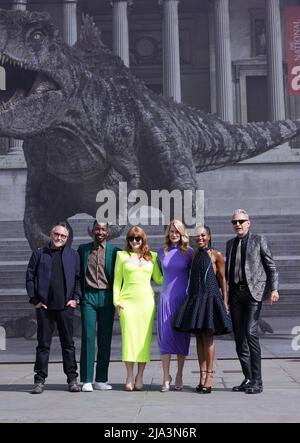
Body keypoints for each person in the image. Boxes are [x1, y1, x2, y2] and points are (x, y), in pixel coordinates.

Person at [226, 209, 279, 394]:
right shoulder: (230, 244)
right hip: (235, 295)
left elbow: (271, 266)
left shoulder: (258, 240)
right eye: (234, 222)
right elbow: (228, 272)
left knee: (250, 333)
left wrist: (274, 289)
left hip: (253, 294)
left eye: (241, 221)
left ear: (249, 223)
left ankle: (258, 381)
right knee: (239, 338)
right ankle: (248, 378)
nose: (238, 224)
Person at [173, 225, 232, 394]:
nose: (200, 238)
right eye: (197, 236)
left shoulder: (216, 255)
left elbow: (223, 281)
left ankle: (210, 377)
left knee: (208, 336)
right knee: (199, 337)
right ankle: (201, 376)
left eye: (203, 235)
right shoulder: (193, 255)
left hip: (211, 298)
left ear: (209, 236)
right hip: (196, 298)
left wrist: (225, 303)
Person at [26, 221, 81, 394]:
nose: (59, 238)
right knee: (43, 345)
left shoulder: (73, 255)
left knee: (68, 345)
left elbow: (78, 279)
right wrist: (34, 299)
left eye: (63, 236)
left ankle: (72, 380)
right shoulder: (39, 254)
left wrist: (76, 299)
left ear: (67, 238)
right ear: (51, 234)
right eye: (57, 234)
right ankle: (39, 381)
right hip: (45, 308)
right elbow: (29, 277)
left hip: (66, 307)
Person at [113, 226, 163, 391]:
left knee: (143, 341)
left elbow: (159, 279)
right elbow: (116, 282)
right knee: (129, 340)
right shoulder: (121, 255)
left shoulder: (152, 257)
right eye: (131, 238)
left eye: (138, 238)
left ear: (143, 240)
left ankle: (140, 376)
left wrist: (178, 272)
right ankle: (128, 376)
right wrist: (116, 301)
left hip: (146, 303)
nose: (134, 241)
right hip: (127, 303)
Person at [78, 221, 119, 392]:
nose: (100, 232)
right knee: (88, 337)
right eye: (97, 229)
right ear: (92, 231)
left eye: (103, 229)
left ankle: (101, 379)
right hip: (89, 296)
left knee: (105, 339)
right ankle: (86, 379)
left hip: (107, 297)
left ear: (107, 232)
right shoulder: (83, 249)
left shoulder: (115, 251)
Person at [157, 220, 193, 392]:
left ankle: (179, 374)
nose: (174, 234)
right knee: (165, 339)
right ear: (168, 233)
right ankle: (165, 377)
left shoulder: (189, 252)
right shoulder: (160, 252)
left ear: (182, 233)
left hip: (182, 301)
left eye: (177, 232)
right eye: (171, 231)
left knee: (181, 339)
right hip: (165, 300)